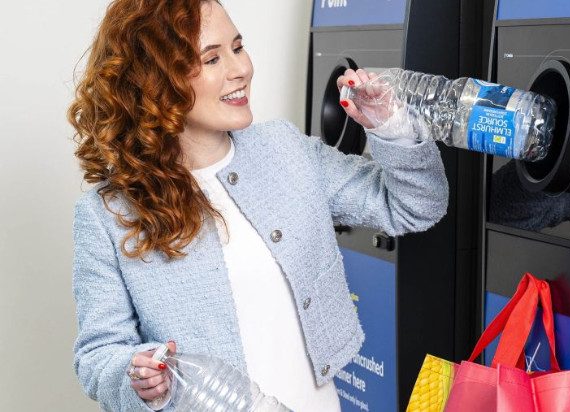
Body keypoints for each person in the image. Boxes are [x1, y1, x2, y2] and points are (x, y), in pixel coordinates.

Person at [68, 1, 448, 411]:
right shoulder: (107, 214)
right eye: (211, 58)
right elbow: (99, 354)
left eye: (237, 46)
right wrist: (137, 376)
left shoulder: (284, 151)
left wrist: (388, 126)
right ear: (154, 81)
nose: (241, 69)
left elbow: (416, 205)